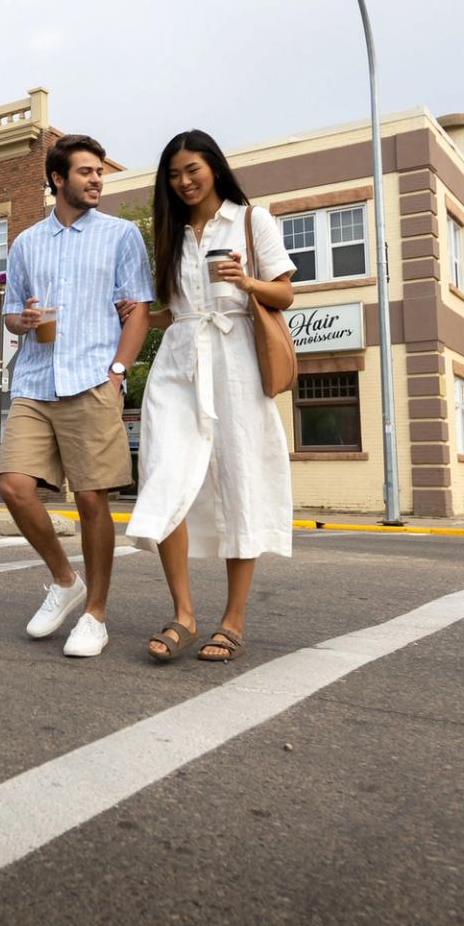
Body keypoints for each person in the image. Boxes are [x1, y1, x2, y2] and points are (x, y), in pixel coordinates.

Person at [122, 130, 295, 664]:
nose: (184, 182)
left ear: (214, 167)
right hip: (178, 362)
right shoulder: (170, 232)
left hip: (236, 359)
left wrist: (245, 281)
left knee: (237, 479)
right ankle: (184, 614)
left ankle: (233, 620)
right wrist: (133, 316)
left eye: (192, 169)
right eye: (173, 175)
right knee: (164, 475)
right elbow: (174, 310)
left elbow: (285, 292)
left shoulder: (251, 220)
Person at [0, 134, 155, 658]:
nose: (96, 180)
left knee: (92, 499)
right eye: (85, 172)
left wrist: (116, 373)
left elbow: (137, 311)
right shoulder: (25, 243)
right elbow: (14, 314)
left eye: (100, 172)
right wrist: (17, 320)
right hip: (35, 381)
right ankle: (66, 581)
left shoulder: (121, 235)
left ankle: (96, 615)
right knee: (14, 487)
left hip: (91, 378)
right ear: (58, 179)